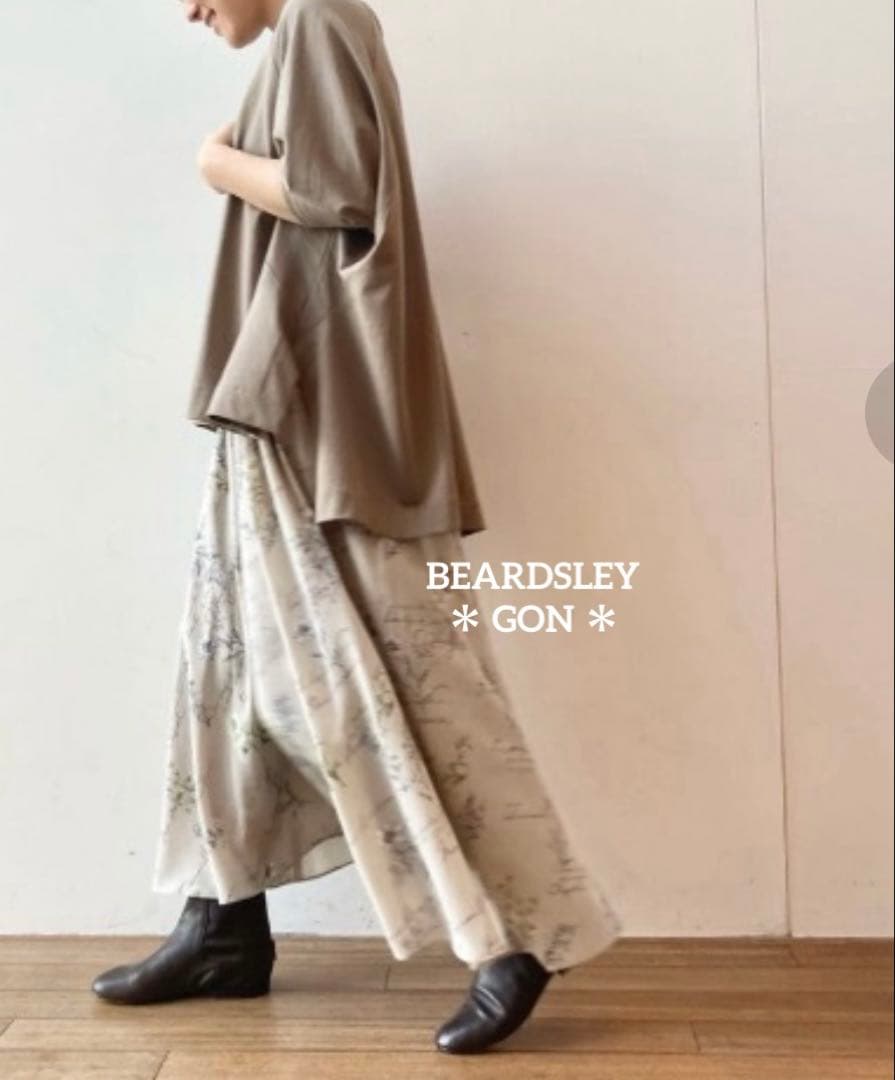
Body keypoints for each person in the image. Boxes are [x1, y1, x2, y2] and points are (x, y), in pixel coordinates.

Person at [90, 0, 624, 1054]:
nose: (187, 8)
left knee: (398, 684)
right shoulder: (307, 31)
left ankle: (520, 935)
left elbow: (337, 193)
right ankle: (222, 925)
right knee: (229, 676)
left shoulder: (321, 17)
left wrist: (215, 163)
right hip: (279, 407)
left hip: (319, 418)